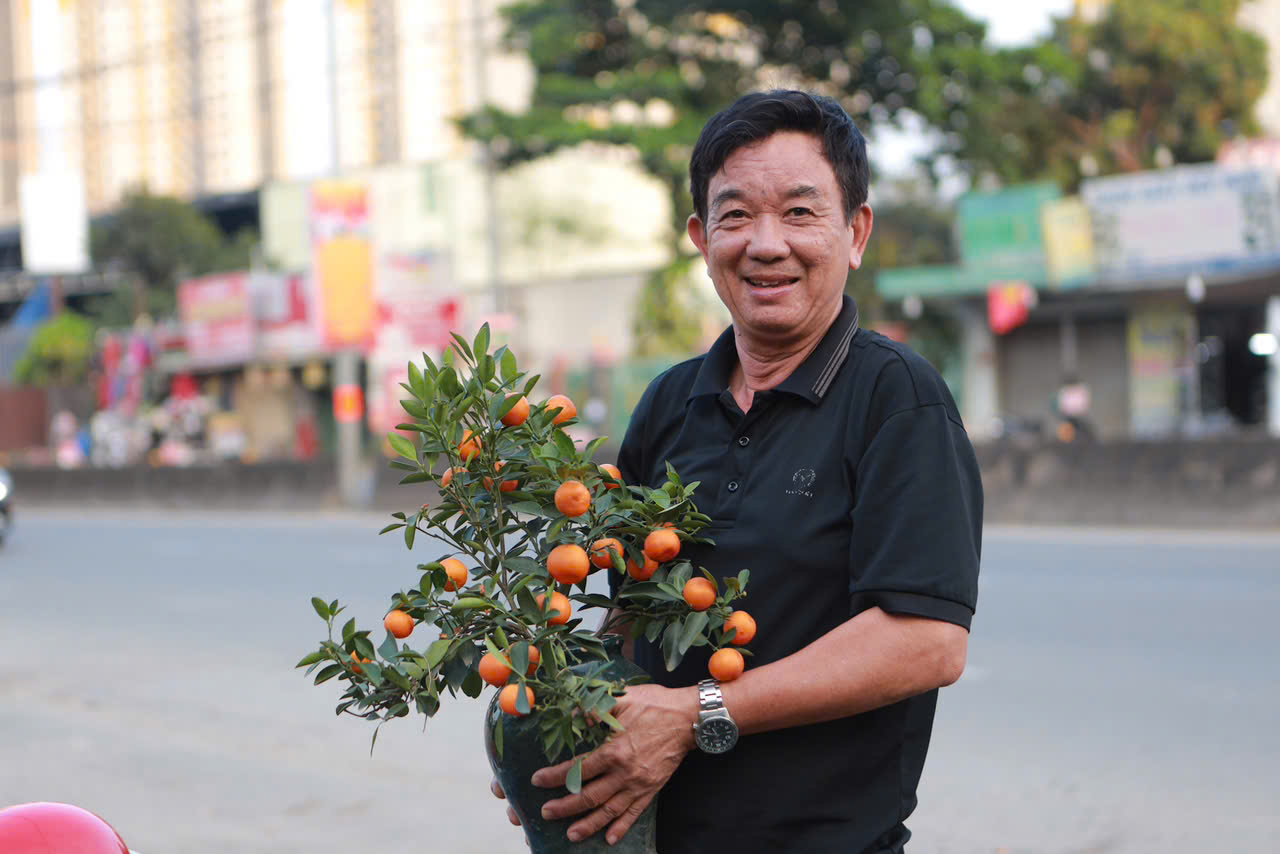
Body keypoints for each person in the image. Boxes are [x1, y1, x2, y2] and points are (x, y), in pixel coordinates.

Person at [494, 89, 983, 852]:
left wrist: (697, 714)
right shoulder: (669, 402)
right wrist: (566, 726)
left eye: (798, 212)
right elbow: (631, 612)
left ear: (855, 232)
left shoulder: (897, 399)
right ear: (701, 237)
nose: (765, 244)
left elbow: (924, 640)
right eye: (735, 215)